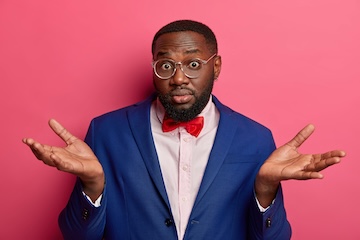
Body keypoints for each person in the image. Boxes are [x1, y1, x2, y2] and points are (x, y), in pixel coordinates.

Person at [23, 20, 346, 240]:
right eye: (166, 65)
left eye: (193, 64)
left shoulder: (256, 138)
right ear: (154, 67)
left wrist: (265, 192)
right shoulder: (106, 131)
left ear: (215, 66)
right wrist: (91, 186)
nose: (178, 78)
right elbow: (76, 235)